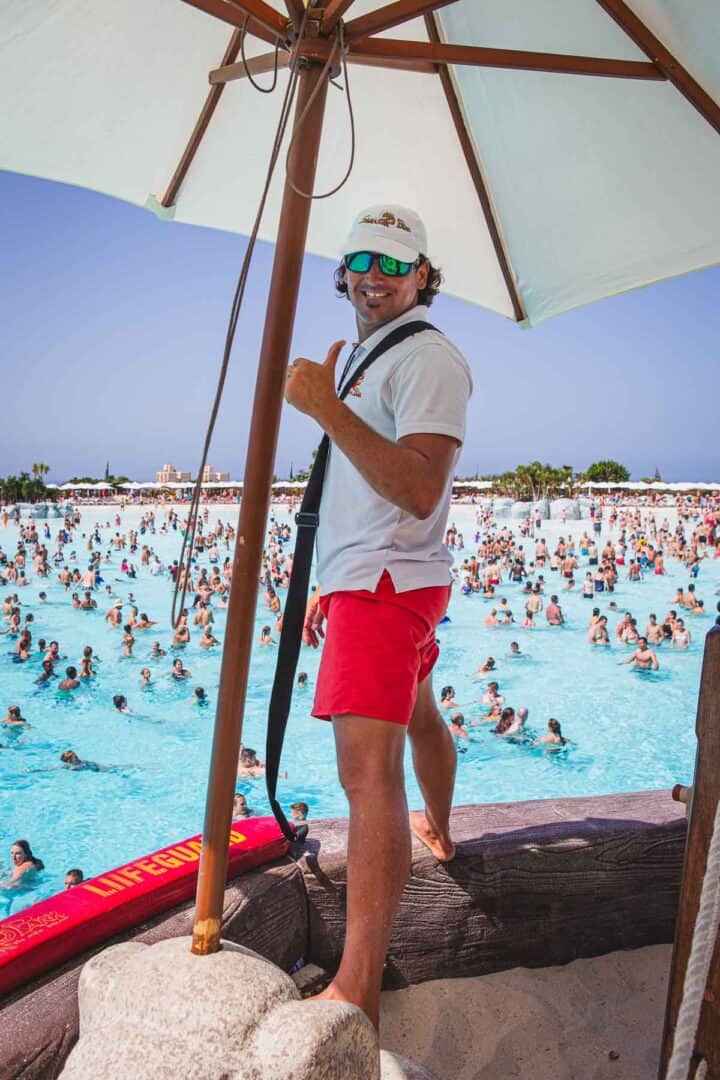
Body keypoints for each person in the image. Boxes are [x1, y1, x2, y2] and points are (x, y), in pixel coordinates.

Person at [286, 203, 471, 1027]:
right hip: (387, 576)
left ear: (423, 276)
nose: (374, 275)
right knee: (419, 715)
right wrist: (331, 574)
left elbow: (419, 483)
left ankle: (356, 984)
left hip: (387, 584)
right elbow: (368, 486)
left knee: (366, 779)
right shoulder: (374, 352)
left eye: (395, 264)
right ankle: (441, 825)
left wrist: (325, 408)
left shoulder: (428, 357)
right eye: (362, 259)